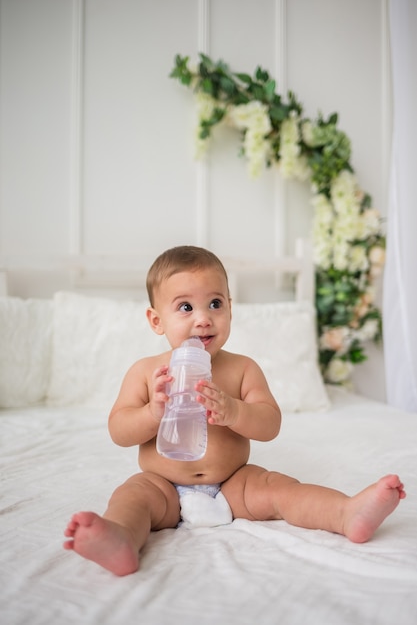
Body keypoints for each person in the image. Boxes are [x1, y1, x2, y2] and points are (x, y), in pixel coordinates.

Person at [63, 245, 406, 576]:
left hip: (233, 484)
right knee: (132, 497)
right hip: (162, 486)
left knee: (279, 489)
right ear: (156, 320)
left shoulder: (242, 369)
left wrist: (234, 411)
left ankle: (345, 513)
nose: (203, 319)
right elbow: (118, 430)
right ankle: (121, 538)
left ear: (230, 307)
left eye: (215, 304)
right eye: (185, 308)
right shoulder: (146, 372)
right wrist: (153, 412)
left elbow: (270, 423)